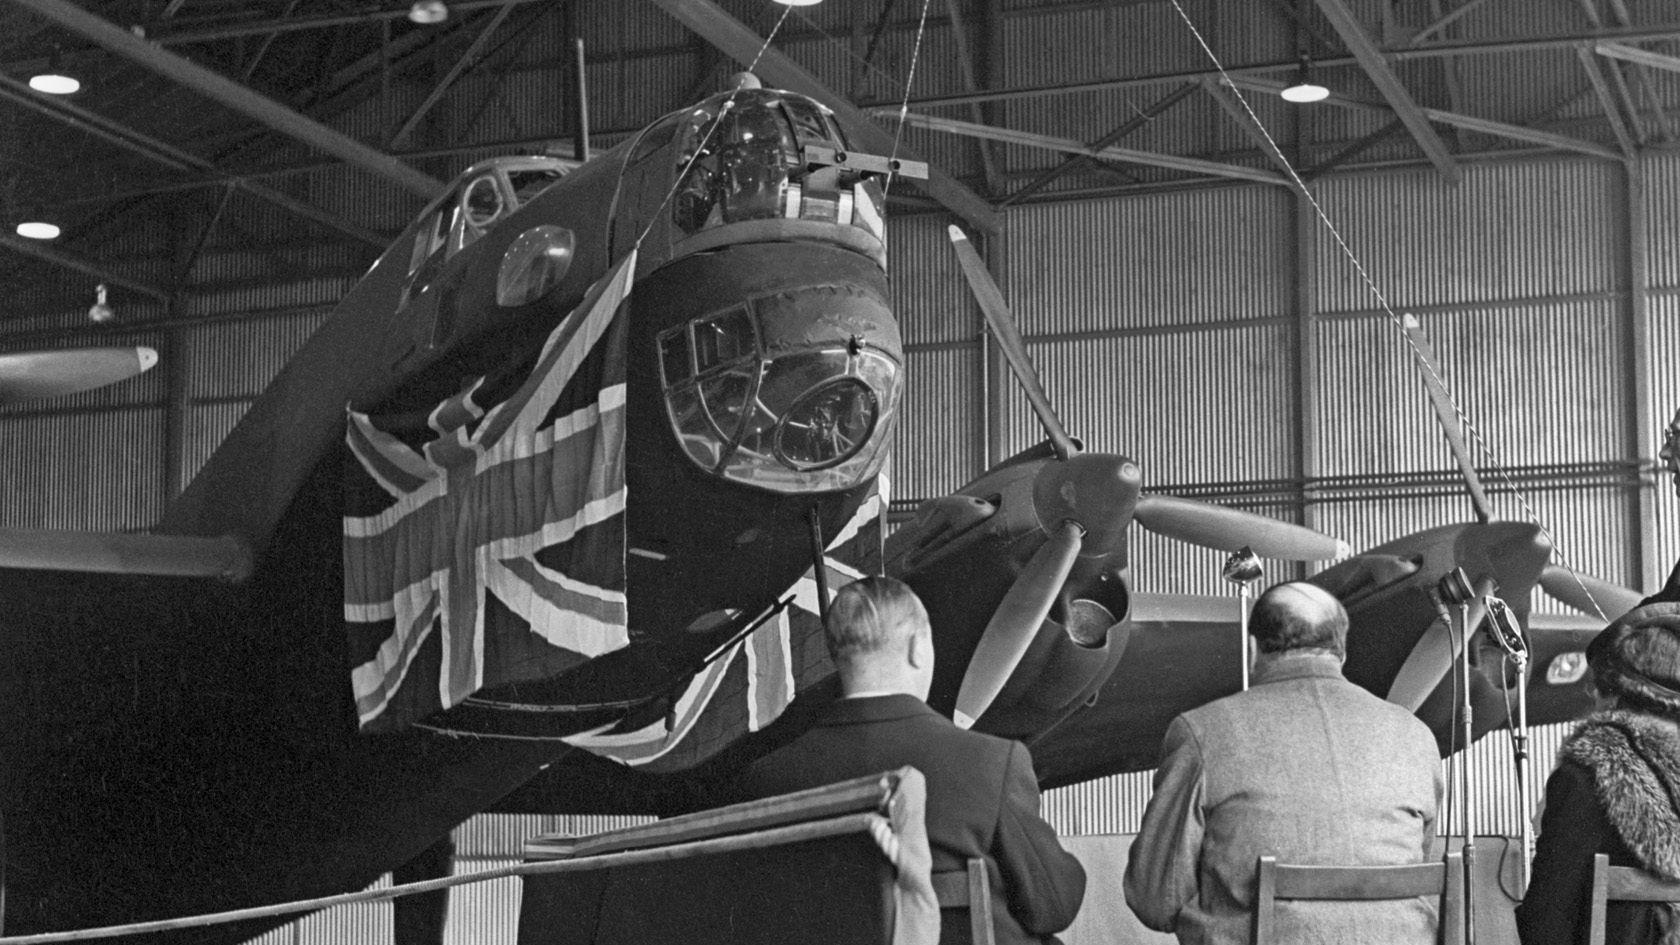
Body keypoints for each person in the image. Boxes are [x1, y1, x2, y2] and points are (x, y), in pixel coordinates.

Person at [731, 575, 1087, 945]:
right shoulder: (992, 761)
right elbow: (1055, 905)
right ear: (918, 647)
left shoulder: (766, 779)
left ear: (839, 657)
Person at [1123, 582, 1443, 944]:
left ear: (1252, 648)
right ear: (1341, 650)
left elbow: (1156, 899)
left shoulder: (1201, 732)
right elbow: (1418, 859)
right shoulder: (1416, 735)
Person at [1515, 601, 1680, 945]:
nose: (1591, 693)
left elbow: (1546, 918)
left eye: (1599, 683)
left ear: (1617, 691)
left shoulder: (1588, 774)